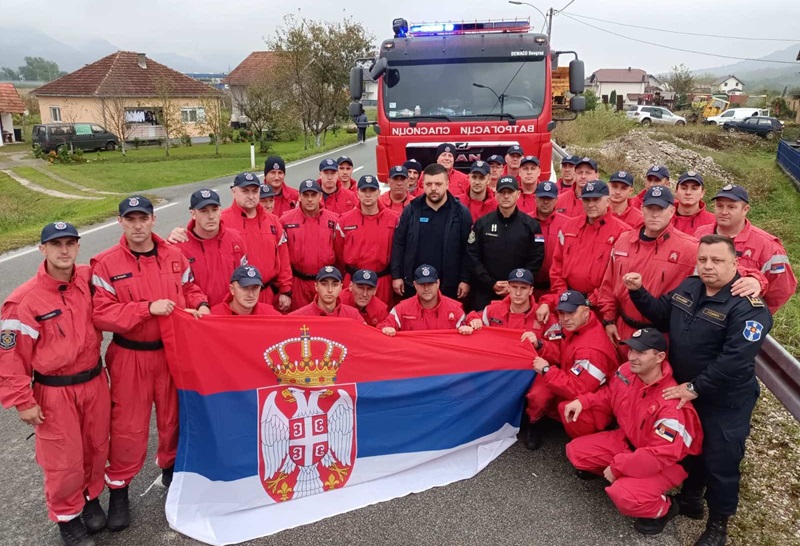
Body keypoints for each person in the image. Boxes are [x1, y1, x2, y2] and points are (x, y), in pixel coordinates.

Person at [626, 235, 773, 546]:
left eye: (717, 260)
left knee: (721, 461)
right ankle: (691, 500)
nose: (708, 266)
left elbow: (734, 361)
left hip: (724, 399)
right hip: (686, 389)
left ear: (736, 264)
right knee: (689, 448)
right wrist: (638, 292)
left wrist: (694, 387)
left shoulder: (749, 308)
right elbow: (661, 313)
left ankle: (718, 526)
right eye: (703, 259)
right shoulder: (690, 287)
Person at [91, 196, 208, 531]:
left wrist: (199, 304)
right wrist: (146, 308)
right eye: (131, 220)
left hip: (172, 352)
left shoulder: (174, 255)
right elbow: (101, 313)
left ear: (154, 220)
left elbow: (191, 287)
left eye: (143, 218)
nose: (138, 226)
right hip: (131, 355)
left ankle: (172, 472)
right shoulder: (106, 264)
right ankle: (118, 490)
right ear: (120, 222)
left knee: (173, 418)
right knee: (129, 426)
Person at [0, 222, 110, 546]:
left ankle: (90, 499)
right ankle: (67, 517)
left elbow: (125, 261)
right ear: (42, 249)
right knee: (64, 459)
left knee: (96, 446)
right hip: (54, 392)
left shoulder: (90, 280)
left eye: (70, 243)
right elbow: (10, 358)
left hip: (93, 381)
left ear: (78, 247)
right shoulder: (23, 301)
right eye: (56, 244)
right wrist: (22, 399)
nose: (64, 250)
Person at [563, 329, 703, 536]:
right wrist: (583, 401)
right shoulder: (627, 371)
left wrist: (618, 467)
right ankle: (626, 477)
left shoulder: (671, 406)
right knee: (575, 452)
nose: (632, 356)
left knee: (624, 496)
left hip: (666, 462)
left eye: (641, 352)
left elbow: (658, 456)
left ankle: (667, 508)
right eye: (631, 350)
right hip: (629, 442)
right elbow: (611, 393)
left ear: (660, 357)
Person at [596, 185, 699, 355]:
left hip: (658, 336)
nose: (655, 214)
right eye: (650, 208)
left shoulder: (690, 248)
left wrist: (755, 278)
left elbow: (725, 266)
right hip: (622, 328)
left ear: (672, 211)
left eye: (660, 208)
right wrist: (608, 320)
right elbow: (608, 283)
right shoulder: (623, 240)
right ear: (642, 209)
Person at [523, 290, 619, 450]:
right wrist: (541, 345)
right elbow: (560, 351)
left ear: (586, 312)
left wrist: (547, 370)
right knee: (538, 394)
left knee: (571, 408)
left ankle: (589, 445)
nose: (565, 318)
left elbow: (576, 389)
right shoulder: (575, 325)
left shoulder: (591, 349)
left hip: (595, 398)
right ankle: (536, 422)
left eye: (571, 313)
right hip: (570, 376)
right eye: (561, 313)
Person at [694, 184, 796, 313]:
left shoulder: (768, 246)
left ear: (745, 209)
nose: (724, 212)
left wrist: (756, 314)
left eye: (731, 207)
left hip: (736, 319)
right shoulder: (700, 233)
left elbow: (782, 289)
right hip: (696, 311)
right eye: (720, 206)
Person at [539, 180, 631, 315]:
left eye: (596, 199)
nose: (591, 204)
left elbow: (618, 277)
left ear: (607, 200)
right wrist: (564, 295)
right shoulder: (569, 226)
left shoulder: (622, 233)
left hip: (599, 308)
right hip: (567, 303)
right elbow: (557, 264)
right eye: (587, 200)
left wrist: (590, 301)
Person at [391, 163, 473, 301]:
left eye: (438, 184)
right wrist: (397, 276)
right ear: (422, 185)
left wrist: (465, 280)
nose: (433, 189)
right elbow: (399, 244)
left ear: (447, 184)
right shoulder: (411, 210)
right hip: (414, 285)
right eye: (428, 184)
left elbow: (468, 250)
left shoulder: (461, 213)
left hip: (449, 286)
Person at [466, 176, 544, 310]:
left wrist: (515, 285)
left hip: (518, 295)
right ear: (496, 194)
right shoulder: (482, 223)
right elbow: (472, 255)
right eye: (502, 192)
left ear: (518, 194)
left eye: (510, 192)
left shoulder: (532, 225)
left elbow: (537, 258)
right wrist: (490, 282)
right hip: (486, 292)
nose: (506, 196)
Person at [218, 172, 292, 310]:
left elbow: (283, 257)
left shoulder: (272, 221)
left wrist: (286, 289)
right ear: (233, 192)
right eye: (245, 191)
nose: (251, 196)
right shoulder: (221, 220)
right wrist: (177, 235)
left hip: (268, 293)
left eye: (255, 191)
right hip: (237, 297)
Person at [173, 189, 248, 308]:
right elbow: (182, 287)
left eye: (214, 209)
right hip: (200, 315)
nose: (211, 216)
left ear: (220, 211)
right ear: (193, 214)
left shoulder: (236, 239)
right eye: (203, 211)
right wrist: (200, 304)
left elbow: (244, 277)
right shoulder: (179, 246)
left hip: (232, 312)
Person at [280, 179, 345, 310]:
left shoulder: (334, 220)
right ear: (299, 196)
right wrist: (285, 288)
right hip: (298, 282)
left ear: (320, 196)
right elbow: (282, 258)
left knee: (326, 321)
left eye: (313, 195)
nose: (310, 199)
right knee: (300, 324)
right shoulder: (285, 221)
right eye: (306, 195)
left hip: (326, 282)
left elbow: (340, 254)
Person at [339, 174, 400, 306]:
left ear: (379, 192)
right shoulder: (344, 220)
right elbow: (338, 251)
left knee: (381, 318)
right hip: (353, 280)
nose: (368, 195)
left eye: (372, 191)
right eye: (364, 191)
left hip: (382, 280)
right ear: (357, 193)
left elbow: (399, 250)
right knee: (352, 319)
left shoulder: (393, 219)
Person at [379, 265, 472, 334]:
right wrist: (387, 328)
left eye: (430, 284)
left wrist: (467, 328)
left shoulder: (454, 309)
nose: (426, 289)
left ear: (438, 283)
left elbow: (469, 325)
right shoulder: (401, 309)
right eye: (422, 284)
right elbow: (384, 325)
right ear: (415, 285)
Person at [466, 268, 558, 335]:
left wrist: (539, 344)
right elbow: (471, 316)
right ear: (508, 288)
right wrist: (473, 320)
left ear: (531, 290)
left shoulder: (544, 316)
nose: (518, 293)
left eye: (523, 288)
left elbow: (557, 352)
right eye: (514, 287)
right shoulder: (492, 311)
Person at [532, 181, 571, 298]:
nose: (545, 202)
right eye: (542, 197)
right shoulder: (525, 221)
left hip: (556, 289)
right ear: (535, 198)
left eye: (549, 198)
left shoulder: (568, 224)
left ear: (557, 199)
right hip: (529, 288)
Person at [290, 266, 365, 322]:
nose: (330, 290)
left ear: (340, 287)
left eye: (334, 285)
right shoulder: (299, 317)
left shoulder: (353, 315)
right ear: (316, 287)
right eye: (324, 284)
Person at [211, 265, 281, 316]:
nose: (250, 294)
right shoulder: (213, 316)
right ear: (232, 289)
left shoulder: (271, 315)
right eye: (244, 288)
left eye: (255, 287)